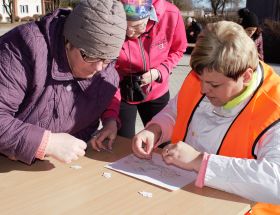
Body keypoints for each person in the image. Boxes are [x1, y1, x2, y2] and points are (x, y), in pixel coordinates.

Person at [132, 21, 280, 213]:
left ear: (246, 76)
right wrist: (156, 129)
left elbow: (275, 180)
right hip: (186, 196)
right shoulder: (206, 75)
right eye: (200, 80)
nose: (203, 89)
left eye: (214, 85)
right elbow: (176, 111)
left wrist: (199, 161)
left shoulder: (274, 107)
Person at [0, 0, 127, 164]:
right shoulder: (22, 48)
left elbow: (91, 117)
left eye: (107, 59)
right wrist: (47, 143)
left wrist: (109, 121)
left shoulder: (106, 73)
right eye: (89, 55)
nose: (99, 67)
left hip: (51, 169)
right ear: (68, 42)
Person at [115, 0, 187, 139]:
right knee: (122, 142)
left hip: (156, 89)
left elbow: (178, 49)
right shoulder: (112, 15)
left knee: (162, 141)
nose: (130, 32)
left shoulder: (170, 14)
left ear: (150, 15)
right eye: (124, 26)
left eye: (137, 26)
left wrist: (160, 71)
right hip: (122, 90)